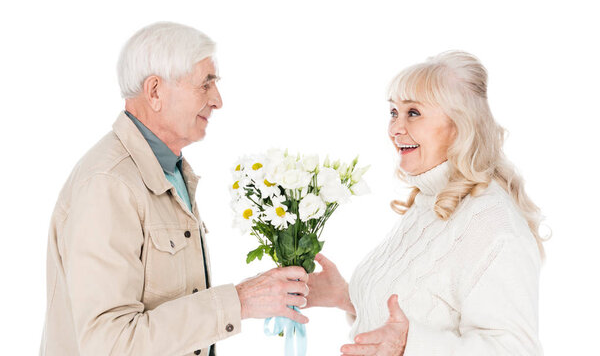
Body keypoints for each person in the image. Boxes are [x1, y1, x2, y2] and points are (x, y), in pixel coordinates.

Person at [40, 22, 309, 356]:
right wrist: (239, 301)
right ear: (155, 92)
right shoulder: (108, 184)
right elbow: (108, 344)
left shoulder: (169, 171)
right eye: (206, 84)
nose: (218, 100)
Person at [305, 51, 546, 355]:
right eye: (393, 112)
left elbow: (515, 350)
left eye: (413, 113)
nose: (395, 128)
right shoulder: (431, 202)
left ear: (460, 125)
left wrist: (410, 344)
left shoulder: (493, 222)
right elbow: (421, 307)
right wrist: (347, 297)